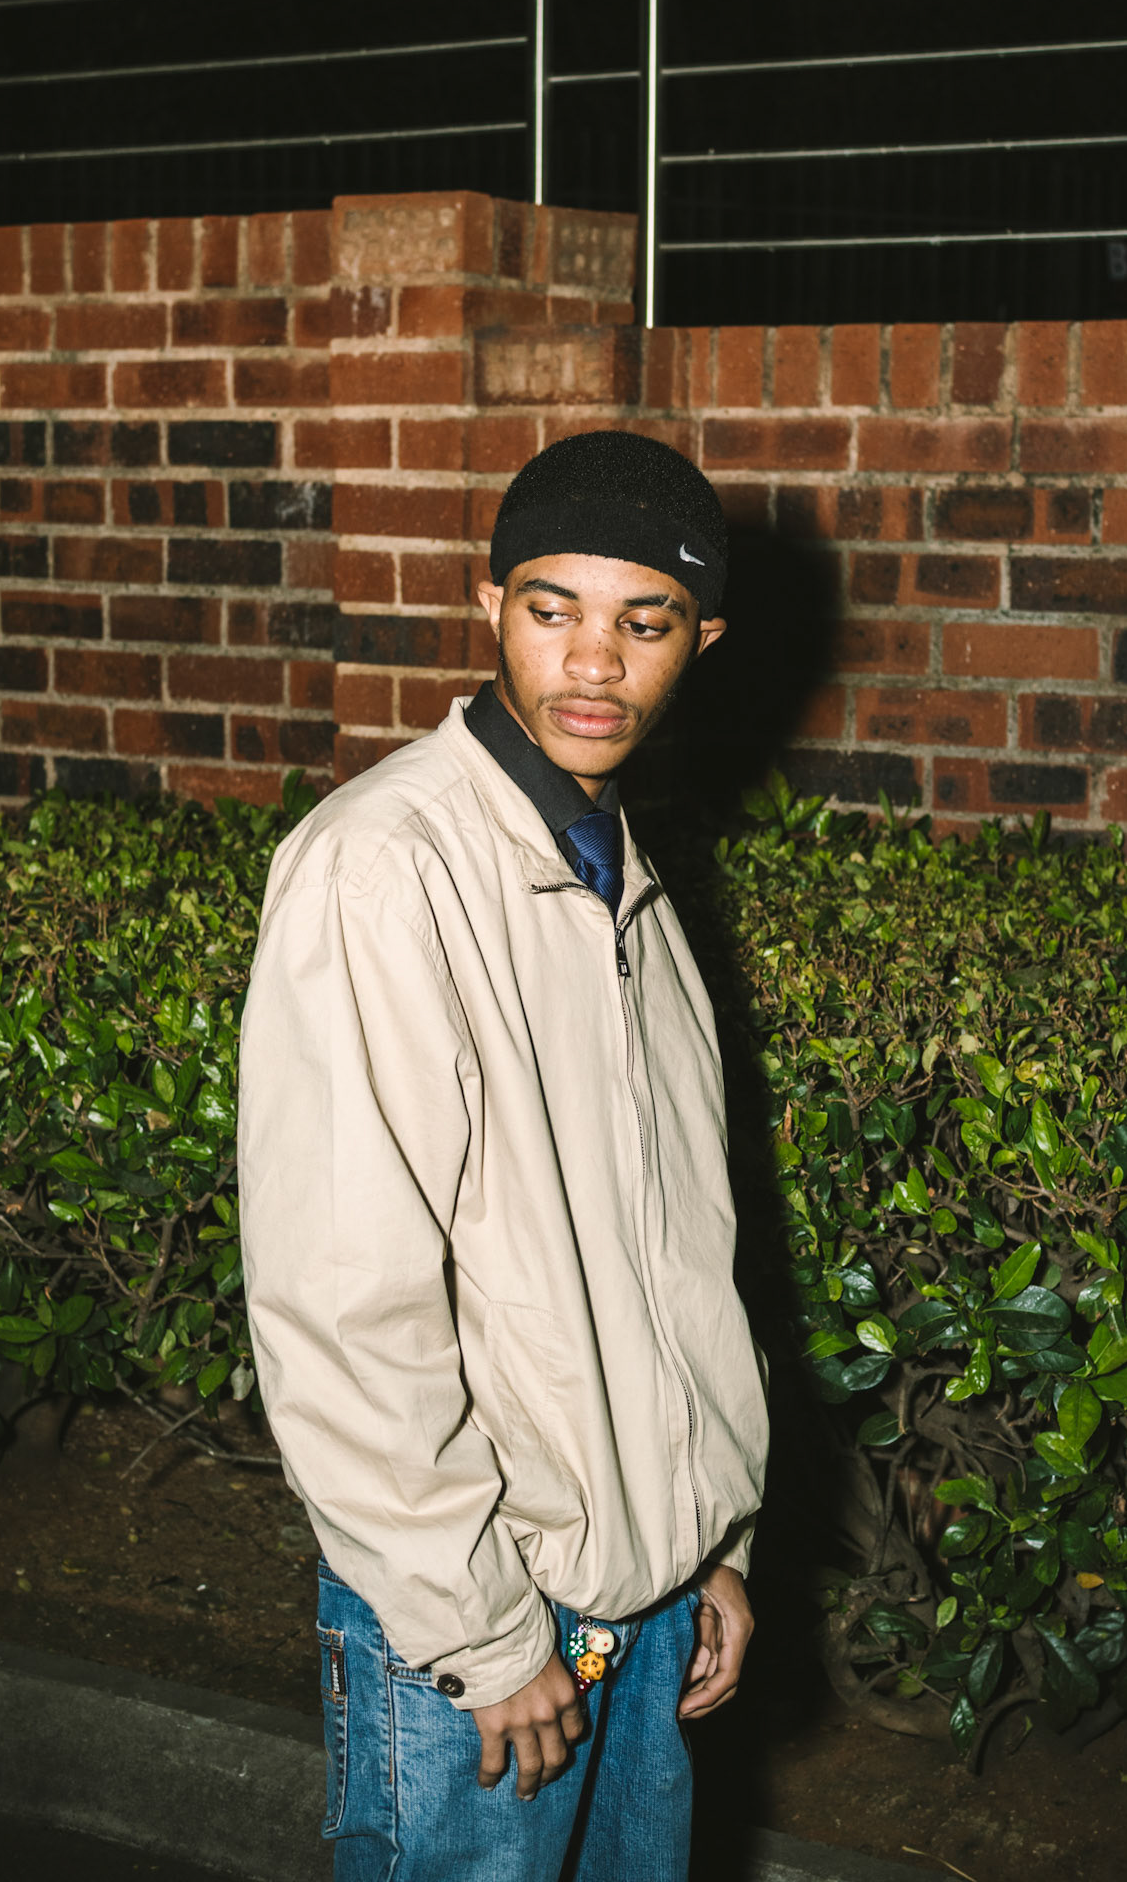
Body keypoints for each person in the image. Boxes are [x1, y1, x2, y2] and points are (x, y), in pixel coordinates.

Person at [238, 429, 769, 1882]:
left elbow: (679, 1256)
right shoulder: (384, 866)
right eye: (552, 610)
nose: (593, 663)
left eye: (644, 622)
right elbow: (343, 1298)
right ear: (490, 609)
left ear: (701, 641)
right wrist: (479, 1632)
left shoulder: (617, 870)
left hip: (641, 1604)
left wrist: (710, 1541)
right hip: (484, 1621)